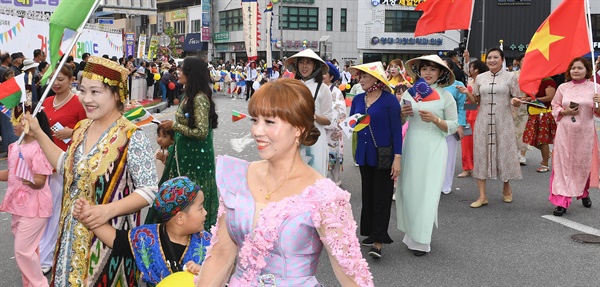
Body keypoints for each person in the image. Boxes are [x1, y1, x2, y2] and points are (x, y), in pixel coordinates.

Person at [196, 79, 374, 286]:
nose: (256, 131)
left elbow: (351, 274)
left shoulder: (325, 196)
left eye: (269, 122)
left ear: (298, 128)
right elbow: (220, 255)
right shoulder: (237, 177)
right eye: (255, 120)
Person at [24, 56, 158, 286]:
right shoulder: (82, 127)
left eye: (95, 92)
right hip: (70, 239)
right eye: (82, 90)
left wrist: (107, 210)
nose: (86, 99)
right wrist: (37, 131)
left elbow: (149, 190)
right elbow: (66, 165)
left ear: (116, 94)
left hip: (109, 243)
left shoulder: (132, 136)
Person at [73, 176, 211, 284]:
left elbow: (219, 274)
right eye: (200, 208)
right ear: (180, 218)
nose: (205, 212)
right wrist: (88, 217)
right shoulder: (145, 238)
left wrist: (204, 273)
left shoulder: (208, 243)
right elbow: (115, 238)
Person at [146, 57, 219, 232]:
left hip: (196, 161)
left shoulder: (200, 98)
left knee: (190, 200)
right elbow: (188, 124)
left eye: (182, 69)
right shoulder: (188, 95)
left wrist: (175, 126)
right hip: (183, 155)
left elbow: (201, 132)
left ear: (190, 74)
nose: (178, 72)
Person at [397, 55, 458, 256]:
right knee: (409, 190)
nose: (428, 73)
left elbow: (454, 126)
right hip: (412, 144)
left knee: (427, 192)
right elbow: (399, 122)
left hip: (434, 146)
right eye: (424, 69)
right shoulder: (410, 93)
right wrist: (403, 114)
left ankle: (422, 240)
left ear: (441, 73)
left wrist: (435, 120)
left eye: (433, 69)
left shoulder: (446, 96)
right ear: (419, 72)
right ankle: (411, 234)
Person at [349, 61, 402, 258]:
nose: (360, 79)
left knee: (382, 197)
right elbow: (352, 124)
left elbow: (396, 130)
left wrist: (398, 157)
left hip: (384, 155)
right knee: (368, 196)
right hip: (364, 154)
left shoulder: (389, 100)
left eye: (364, 76)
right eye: (359, 76)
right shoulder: (358, 98)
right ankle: (371, 232)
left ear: (376, 78)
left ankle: (379, 241)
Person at [38, 65, 87, 275]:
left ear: (71, 80)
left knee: (55, 210)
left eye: (61, 79)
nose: (56, 83)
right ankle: (39, 250)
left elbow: (91, 129)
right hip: (41, 162)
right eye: (53, 80)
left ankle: (46, 256)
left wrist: (74, 130)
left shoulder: (79, 103)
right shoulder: (46, 102)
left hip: (63, 163)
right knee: (41, 210)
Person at [0, 102, 54, 287]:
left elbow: (40, 180)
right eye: (13, 119)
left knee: (22, 251)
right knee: (30, 250)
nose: (14, 124)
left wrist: (31, 181)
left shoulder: (39, 148)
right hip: (18, 206)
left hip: (36, 207)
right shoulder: (14, 146)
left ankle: (39, 285)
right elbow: (11, 173)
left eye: (20, 120)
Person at [470, 48, 522, 208]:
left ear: (502, 59)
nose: (492, 60)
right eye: (489, 58)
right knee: (481, 154)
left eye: (495, 57)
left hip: (503, 121)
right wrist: (467, 93)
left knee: (504, 152)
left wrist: (515, 102)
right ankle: (482, 196)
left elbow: (516, 97)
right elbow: (475, 101)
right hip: (483, 121)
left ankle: (507, 187)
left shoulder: (510, 77)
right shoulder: (479, 78)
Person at [549, 57, 600, 216]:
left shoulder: (595, 88)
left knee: (581, 165)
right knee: (563, 165)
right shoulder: (563, 88)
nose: (576, 71)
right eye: (573, 68)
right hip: (565, 133)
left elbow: (597, 113)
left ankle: (583, 192)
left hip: (585, 134)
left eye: (579, 68)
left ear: (587, 70)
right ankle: (562, 202)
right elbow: (554, 106)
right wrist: (565, 112)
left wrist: (599, 103)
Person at [285, 49, 333, 176]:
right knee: (293, 176)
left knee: (315, 174)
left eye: (308, 63)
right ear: (296, 65)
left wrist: (314, 117)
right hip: (293, 136)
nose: (304, 66)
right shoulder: (291, 86)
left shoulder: (323, 89)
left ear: (315, 66)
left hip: (315, 137)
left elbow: (328, 119)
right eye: (301, 62)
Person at [517, 76, 557, 173]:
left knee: (542, 140)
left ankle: (545, 164)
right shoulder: (532, 81)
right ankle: (546, 153)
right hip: (533, 114)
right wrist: (525, 99)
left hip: (543, 114)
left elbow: (550, 97)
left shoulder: (548, 81)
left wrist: (532, 100)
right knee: (531, 139)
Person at [457, 60, 488, 177]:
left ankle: (477, 167)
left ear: (476, 70)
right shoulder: (470, 81)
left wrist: (467, 94)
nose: (468, 70)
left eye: (470, 67)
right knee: (466, 142)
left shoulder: (483, 83)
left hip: (477, 115)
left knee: (477, 143)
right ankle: (466, 167)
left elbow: (477, 102)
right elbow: (471, 103)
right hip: (468, 114)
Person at [441, 58, 467, 195]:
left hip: (451, 125)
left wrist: (460, 125)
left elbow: (462, 107)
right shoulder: (431, 85)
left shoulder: (458, 85)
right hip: (433, 125)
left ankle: (446, 185)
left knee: (449, 156)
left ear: (451, 70)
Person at [323, 61, 346, 186]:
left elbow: (340, 110)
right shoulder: (317, 90)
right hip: (319, 129)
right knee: (321, 154)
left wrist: (325, 119)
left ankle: (335, 180)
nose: (322, 76)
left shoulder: (336, 92)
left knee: (334, 156)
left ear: (331, 77)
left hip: (332, 131)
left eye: (325, 73)